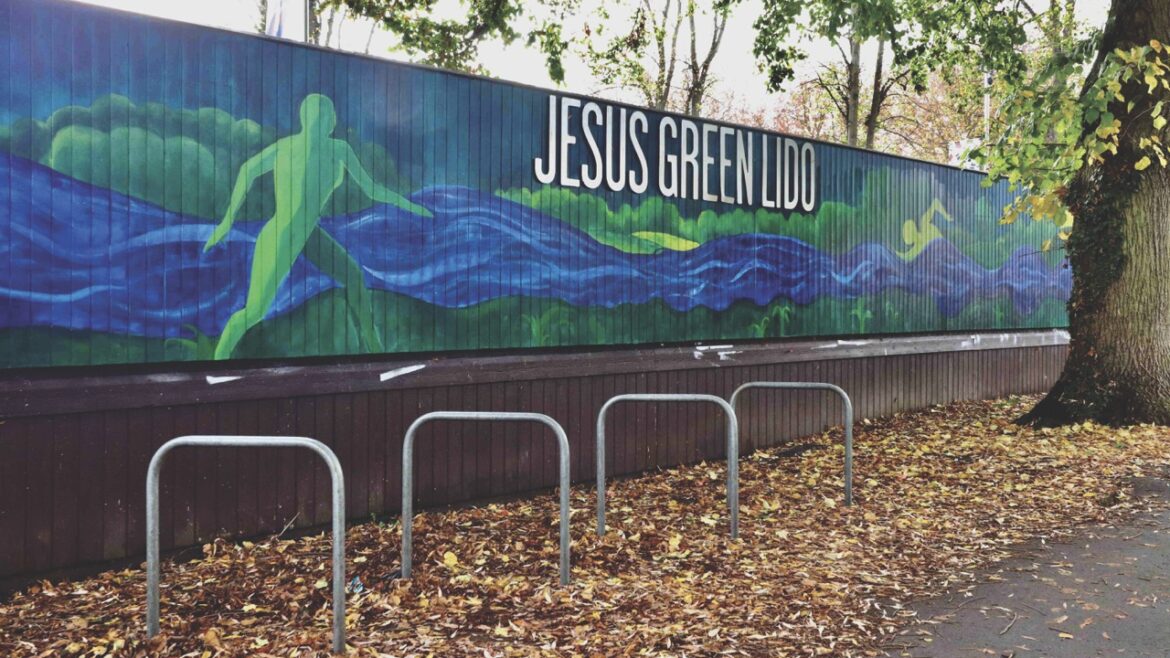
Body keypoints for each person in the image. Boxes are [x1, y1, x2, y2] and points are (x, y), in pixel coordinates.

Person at [204, 93, 430, 359]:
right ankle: (217, 362)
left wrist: (410, 205)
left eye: (327, 116)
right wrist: (226, 222)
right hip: (281, 234)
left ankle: (374, 346)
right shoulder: (286, 147)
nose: (325, 121)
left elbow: (371, 189)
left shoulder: (339, 150)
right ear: (308, 118)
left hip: (310, 233)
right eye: (320, 115)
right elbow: (247, 170)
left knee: (354, 278)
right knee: (254, 311)